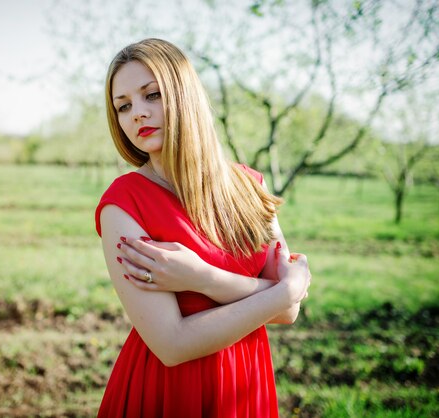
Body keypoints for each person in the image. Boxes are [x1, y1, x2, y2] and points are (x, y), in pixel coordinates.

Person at [94, 38, 311, 418]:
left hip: (246, 386)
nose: (137, 115)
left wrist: (203, 277)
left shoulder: (250, 186)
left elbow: (287, 314)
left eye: (152, 95)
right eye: (123, 106)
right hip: (168, 391)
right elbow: (172, 344)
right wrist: (283, 291)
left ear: (184, 95)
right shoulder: (123, 203)